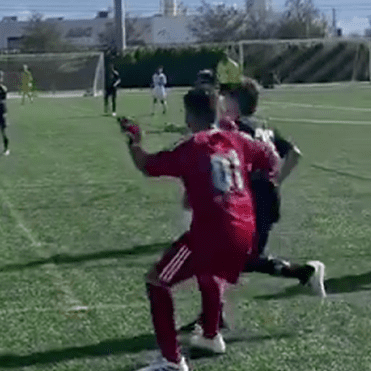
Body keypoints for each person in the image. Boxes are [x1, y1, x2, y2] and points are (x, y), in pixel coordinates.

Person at [120, 88, 281, 371]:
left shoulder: (191, 146)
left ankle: (172, 361)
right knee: (210, 273)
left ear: (189, 116)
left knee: (157, 281)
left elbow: (146, 165)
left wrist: (135, 140)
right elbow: (271, 160)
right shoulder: (237, 140)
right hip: (246, 233)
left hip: (213, 232)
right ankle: (210, 335)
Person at [178, 79, 326, 335]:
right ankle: (213, 318)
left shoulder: (235, 129)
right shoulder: (263, 128)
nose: (224, 103)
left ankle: (306, 272)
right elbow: (294, 153)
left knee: (231, 258)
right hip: (265, 200)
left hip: (250, 203)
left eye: (228, 98)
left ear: (236, 102)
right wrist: (276, 181)